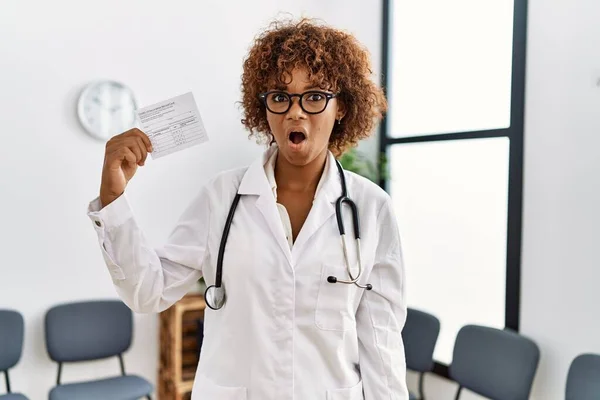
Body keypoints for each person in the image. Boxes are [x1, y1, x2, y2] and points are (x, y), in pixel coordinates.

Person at [87, 18, 408, 400]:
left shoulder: (370, 209)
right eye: (279, 96)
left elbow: (382, 342)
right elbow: (147, 292)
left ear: (341, 108)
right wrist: (113, 198)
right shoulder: (222, 196)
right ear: (265, 108)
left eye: (315, 96)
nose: (295, 112)